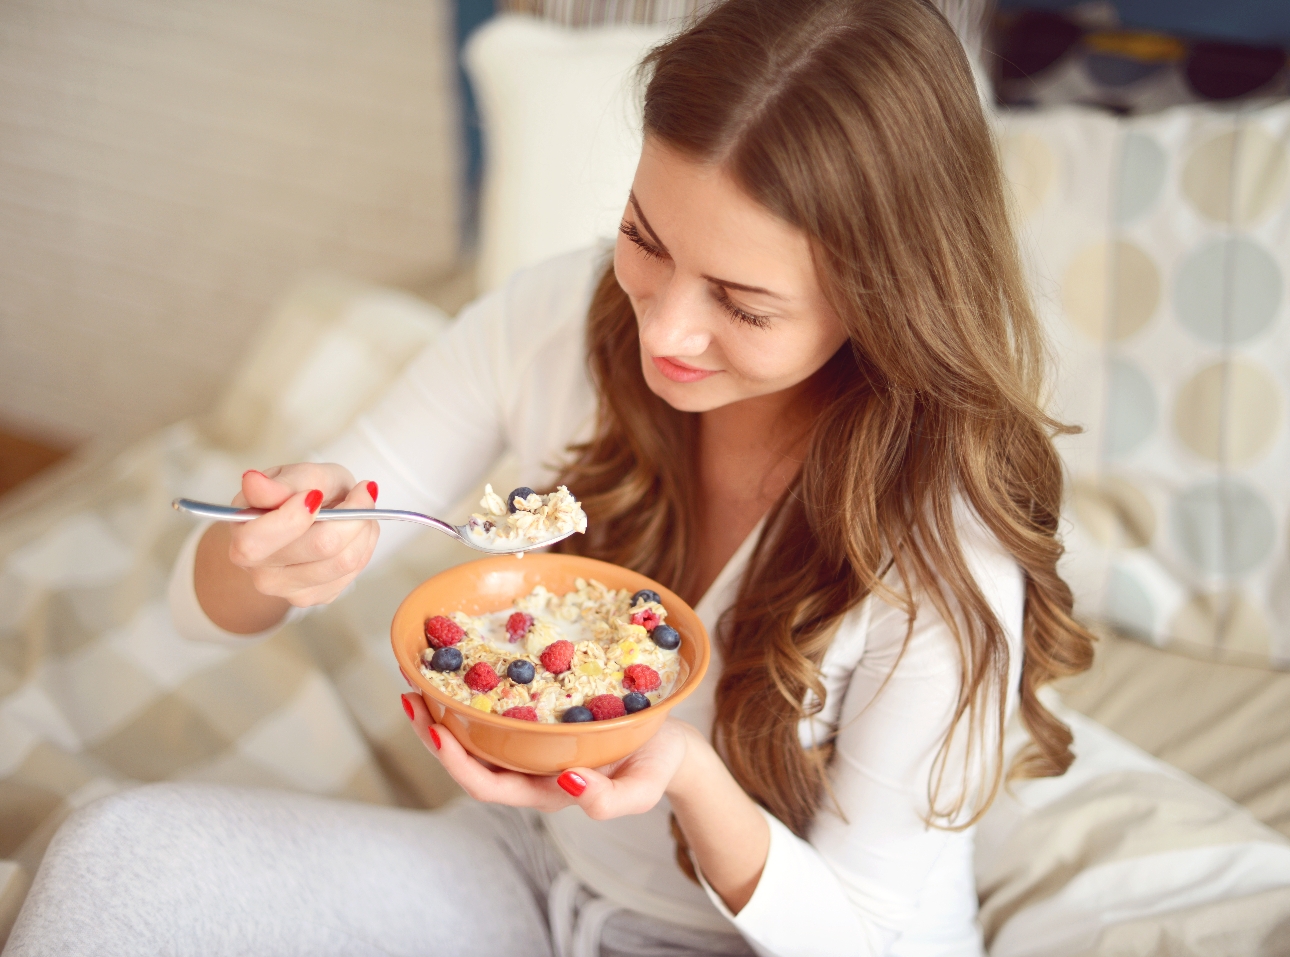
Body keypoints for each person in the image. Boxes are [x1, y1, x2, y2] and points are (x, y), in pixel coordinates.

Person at [5, 0, 1094, 954]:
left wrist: (681, 775)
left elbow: (861, 931)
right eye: (644, 235)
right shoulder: (557, 321)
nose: (664, 326)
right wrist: (267, 557)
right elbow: (206, 611)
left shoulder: (946, 552)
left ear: (884, 299)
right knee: (113, 854)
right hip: (529, 877)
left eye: (744, 305)